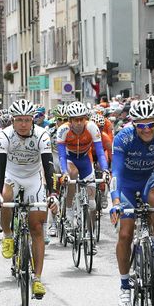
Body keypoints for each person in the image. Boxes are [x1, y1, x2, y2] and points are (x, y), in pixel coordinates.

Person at [109, 99, 154, 306]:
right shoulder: (123, 138)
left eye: (151, 124)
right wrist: (115, 201)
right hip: (126, 186)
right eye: (141, 126)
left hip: (149, 179)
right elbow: (116, 172)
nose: (147, 130)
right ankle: (124, 286)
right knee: (125, 234)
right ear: (134, 125)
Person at [0, 99, 58, 299]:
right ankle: (7, 235)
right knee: (6, 196)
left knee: (36, 227)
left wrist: (52, 194)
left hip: (33, 178)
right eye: (19, 120)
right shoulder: (4, 136)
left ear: (33, 120)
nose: (23, 124)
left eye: (27, 120)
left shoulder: (42, 135)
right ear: (13, 121)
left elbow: (48, 166)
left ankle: (37, 279)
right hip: (11, 176)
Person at [56, 102, 110, 244]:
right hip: (70, 159)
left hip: (85, 160)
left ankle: (90, 235)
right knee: (72, 174)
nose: (79, 123)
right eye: (75, 120)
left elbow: (99, 151)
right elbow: (61, 155)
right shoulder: (63, 130)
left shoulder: (92, 127)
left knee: (92, 204)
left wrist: (105, 170)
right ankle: (68, 211)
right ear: (70, 121)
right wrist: (64, 172)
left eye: (82, 119)